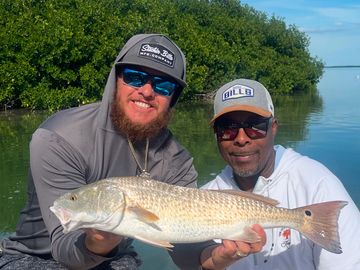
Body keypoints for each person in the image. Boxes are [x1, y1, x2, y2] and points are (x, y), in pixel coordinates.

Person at [0, 34, 265, 270]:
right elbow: (64, 247)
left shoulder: (177, 159)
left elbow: (183, 245)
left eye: (163, 86)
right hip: (35, 258)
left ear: (172, 98)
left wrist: (216, 258)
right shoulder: (59, 137)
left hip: (116, 257)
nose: (147, 91)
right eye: (135, 77)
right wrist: (98, 241)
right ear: (116, 80)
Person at [201, 78, 360, 270]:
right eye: (227, 128)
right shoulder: (203, 197)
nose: (241, 139)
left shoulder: (318, 184)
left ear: (274, 127)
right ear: (215, 134)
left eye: (255, 126)